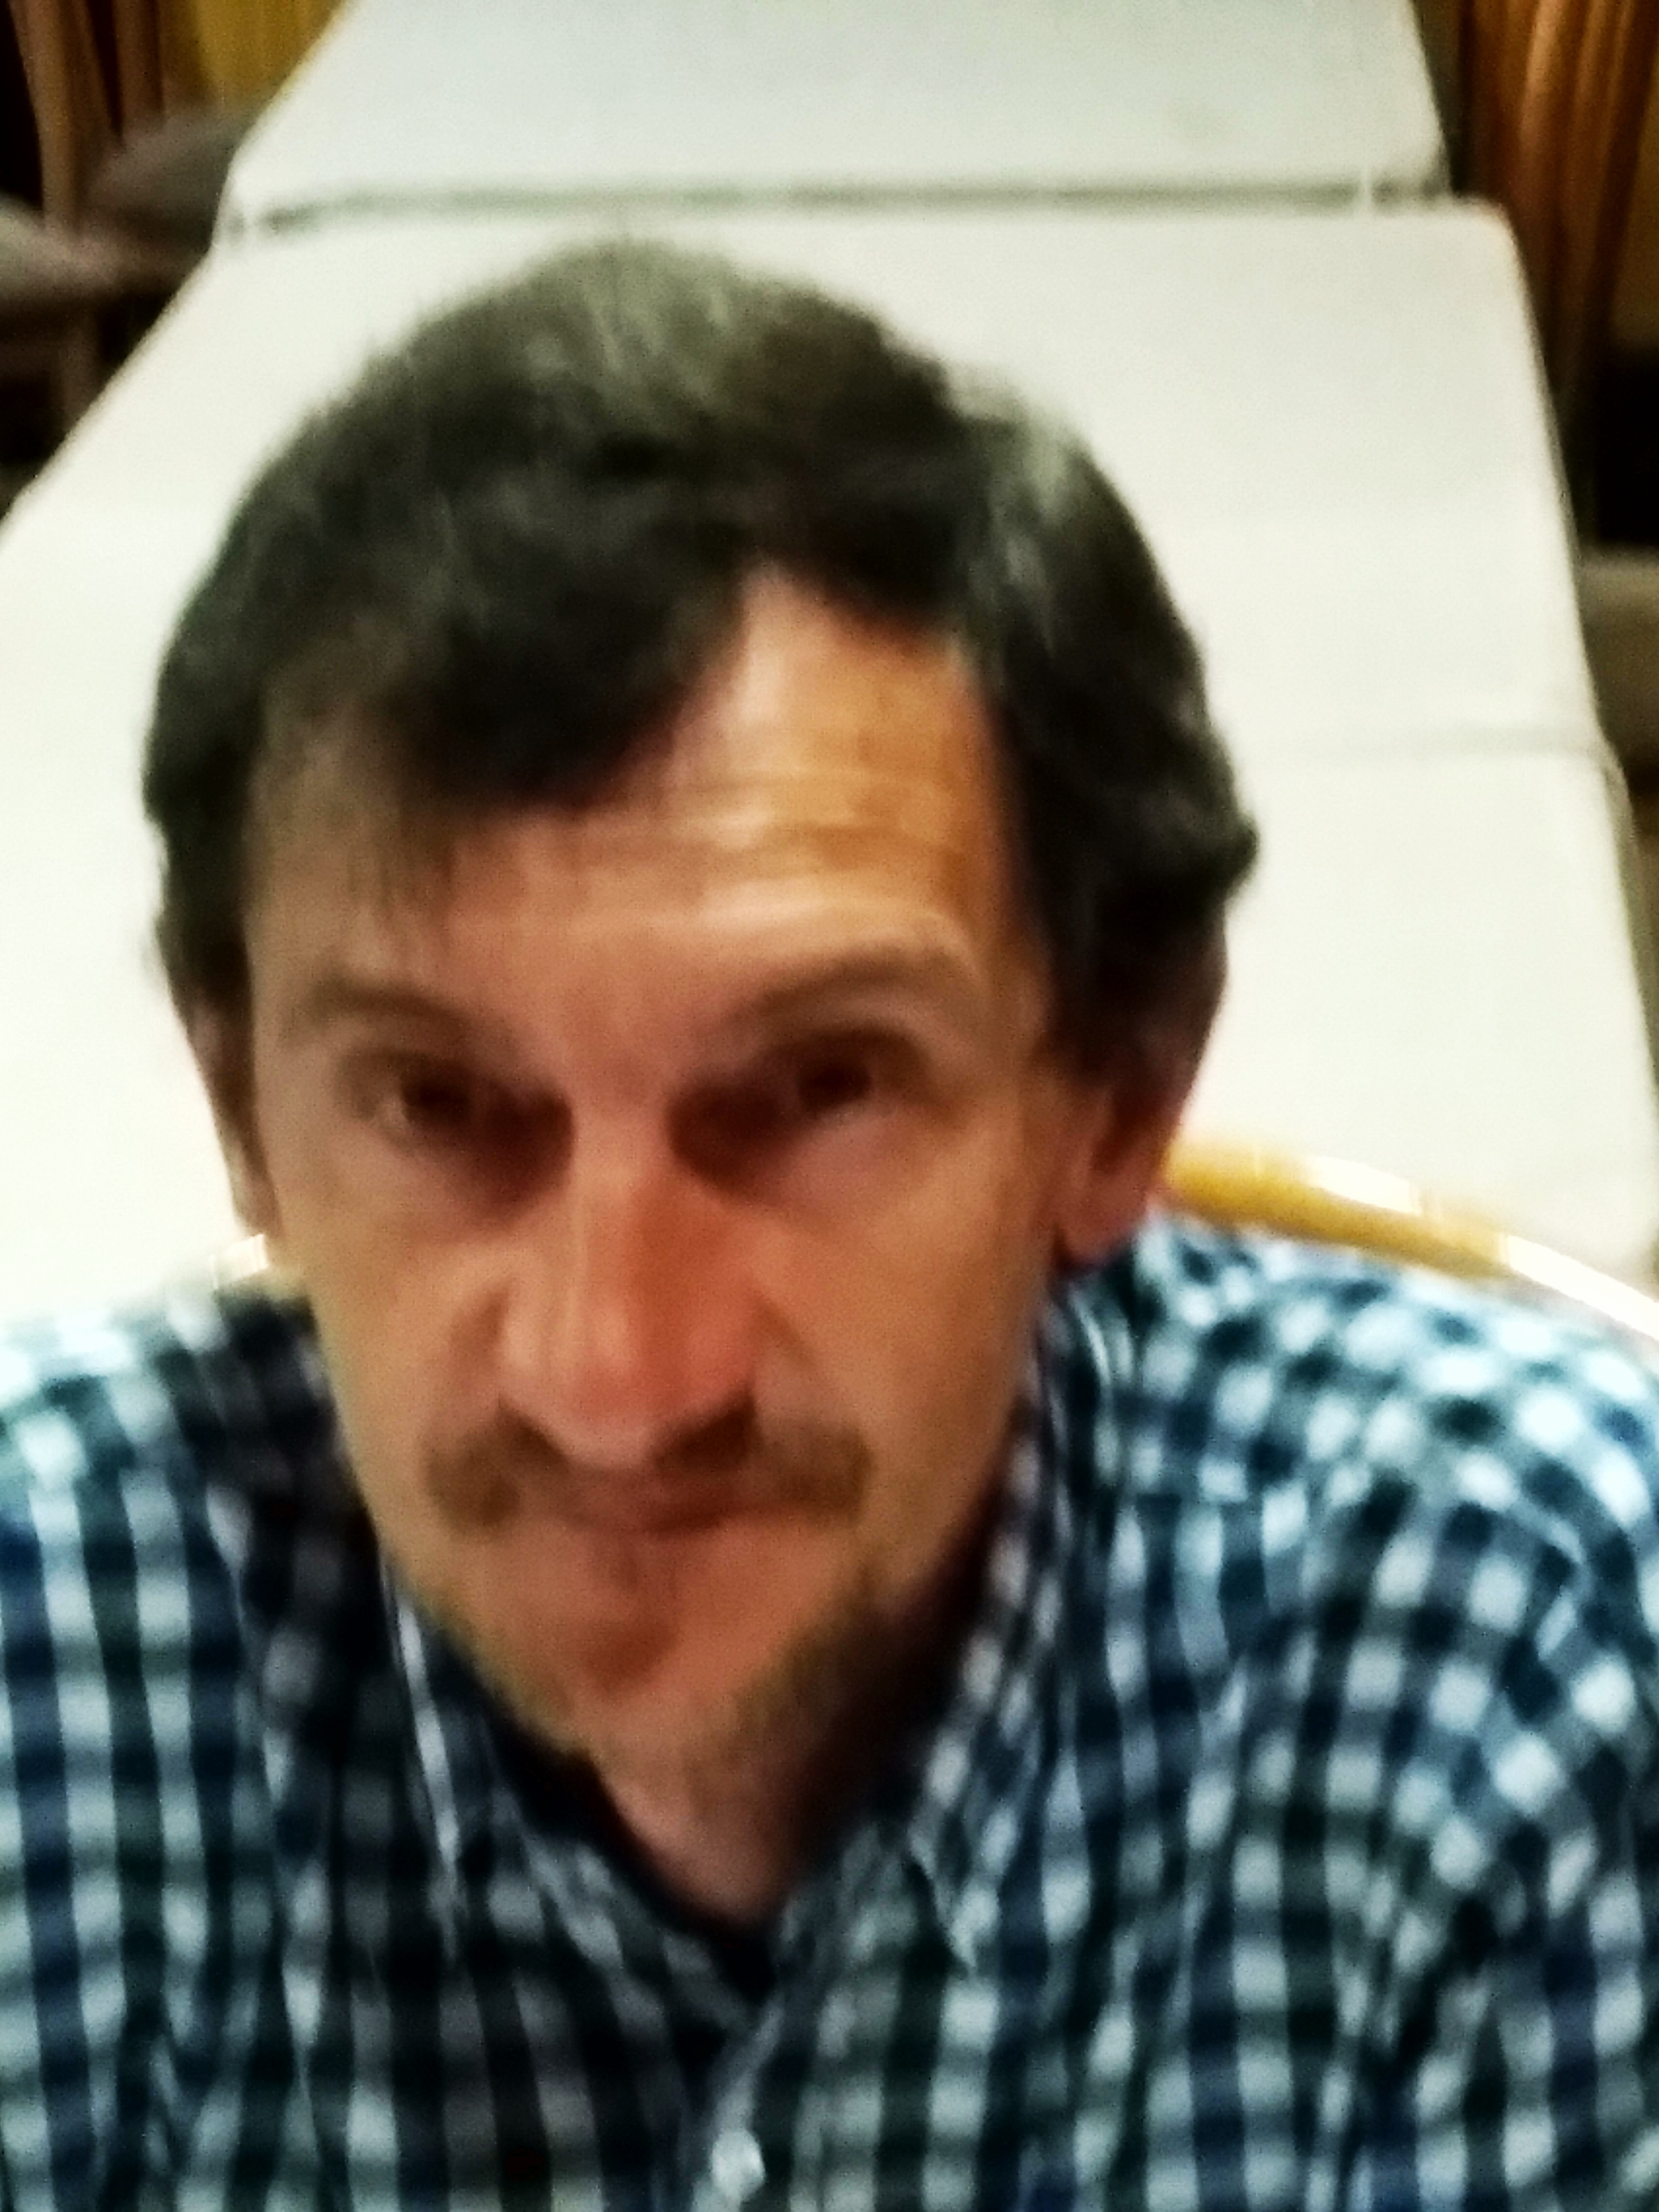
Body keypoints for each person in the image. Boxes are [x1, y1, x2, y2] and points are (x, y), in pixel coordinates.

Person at [1, 236, 1656, 2212]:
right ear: (241, 1114)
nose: (618, 1376)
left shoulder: (1533, 1660)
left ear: (1115, 1096)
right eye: (440, 1105)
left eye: (815, 1090)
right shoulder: (50, 1648)